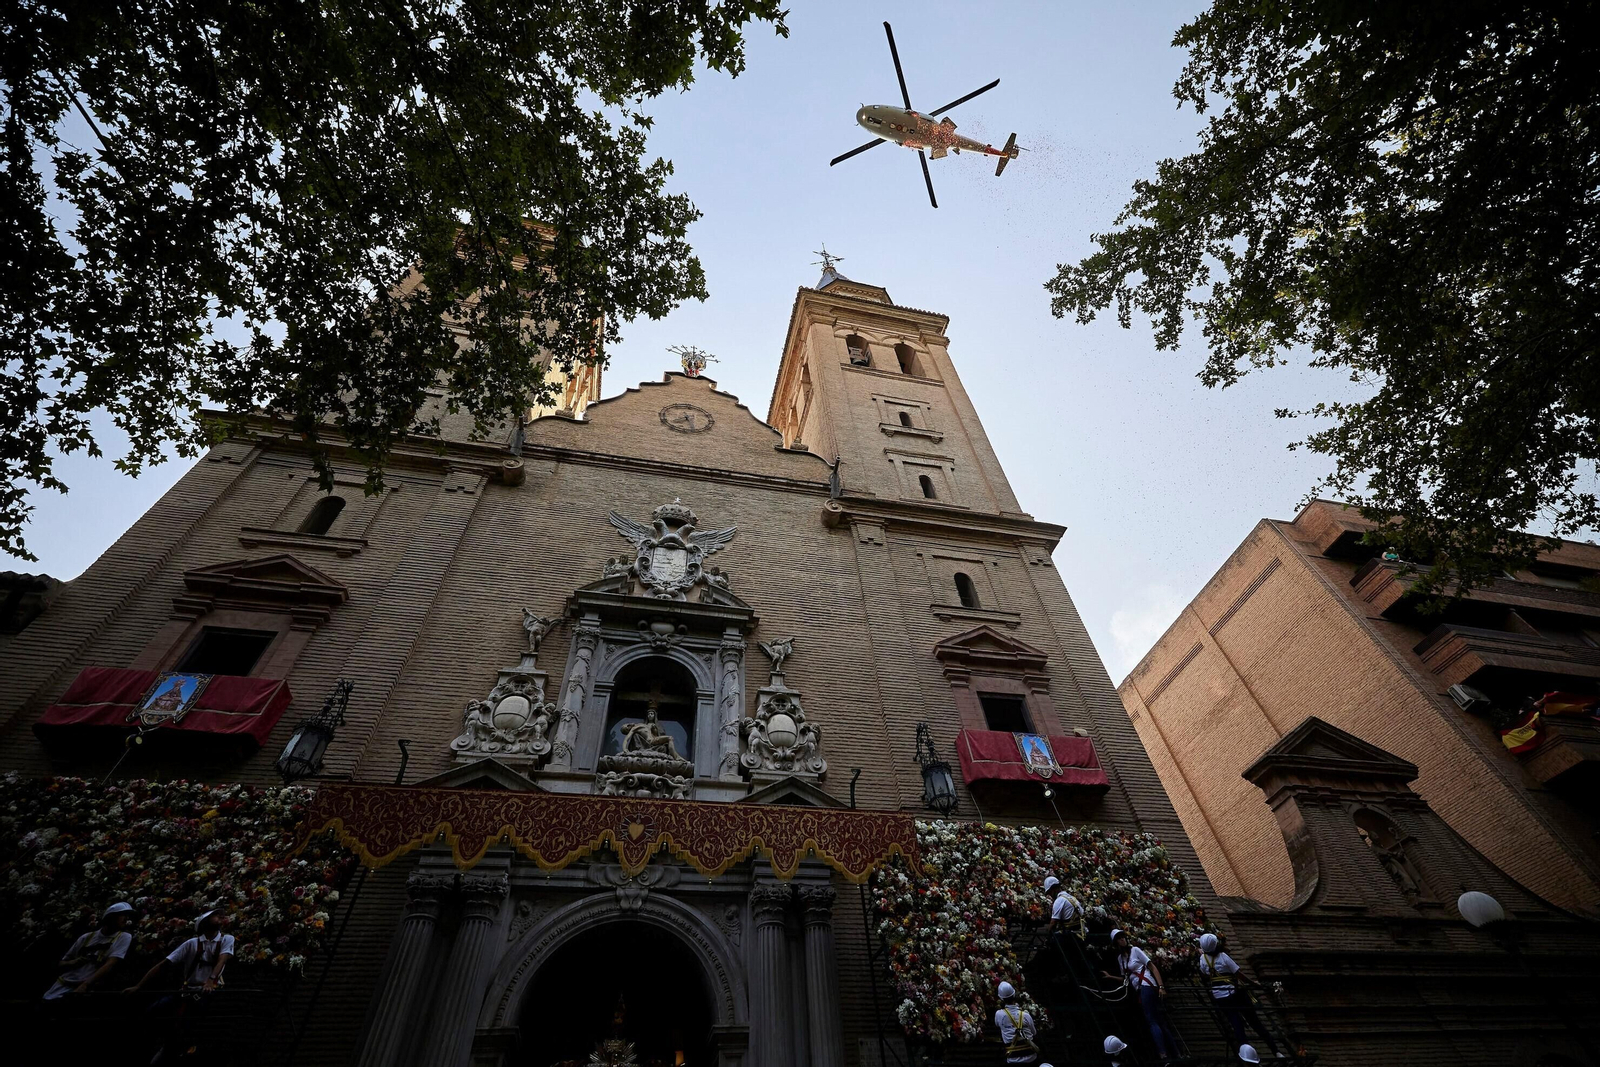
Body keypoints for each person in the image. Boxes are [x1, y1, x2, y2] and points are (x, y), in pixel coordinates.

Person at [127, 909, 235, 1063]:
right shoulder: (192, 944)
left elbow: (222, 960)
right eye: (215, 916)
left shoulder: (227, 939)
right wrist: (139, 986)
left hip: (208, 991)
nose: (221, 917)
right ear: (204, 922)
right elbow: (163, 964)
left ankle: (180, 1049)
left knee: (191, 1024)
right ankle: (158, 1047)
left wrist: (211, 980)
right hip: (187, 990)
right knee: (153, 1011)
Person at [1198, 932, 1282, 1058]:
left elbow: (1204, 973)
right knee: (1255, 1022)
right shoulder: (1223, 956)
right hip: (1235, 993)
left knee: (1236, 1025)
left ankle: (1246, 1055)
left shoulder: (1202, 959)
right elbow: (1239, 974)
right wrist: (1254, 984)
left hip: (1220, 997)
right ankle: (1276, 1051)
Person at [1105, 928, 1178, 1064]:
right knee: (1159, 1021)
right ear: (1116, 943)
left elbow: (1152, 967)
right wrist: (1110, 977)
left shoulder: (1135, 951)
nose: (1123, 940)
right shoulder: (1121, 959)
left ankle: (1164, 1055)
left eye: (1123, 937)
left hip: (1147, 985)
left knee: (1152, 1021)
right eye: (1119, 939)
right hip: (1139, 990)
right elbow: (1125, 978)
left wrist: (1161, 987)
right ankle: (1174, 1054)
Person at [44, 901, 135, 999]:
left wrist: (85, 985)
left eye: (127, 916)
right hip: (63, 985)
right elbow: (61, 963)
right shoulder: (86, 937)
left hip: (85, 989)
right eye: (122, 915)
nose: (126, 919)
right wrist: (72, 963)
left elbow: (110, 964)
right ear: (110, 918)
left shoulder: (123, 937)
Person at [994, 980, 1040, 1065]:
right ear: (1014, 995)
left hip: (1013, 1059)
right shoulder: (1026, 1015)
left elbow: (997, 1025)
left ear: (1001, 999)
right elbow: (1034, 1033)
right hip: (1031, 1058)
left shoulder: (999, 1015)